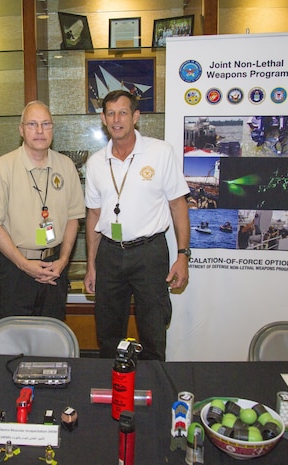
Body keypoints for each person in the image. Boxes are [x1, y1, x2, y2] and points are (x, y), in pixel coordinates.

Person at [83, 90, 190, 361]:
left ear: (136, 116)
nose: (116, 119)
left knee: (153, 331)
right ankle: (113, 392)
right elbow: (93, 215)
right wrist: (91, 266)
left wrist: (182, 256)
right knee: (108, 334)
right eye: (110, 113)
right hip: (109, 253)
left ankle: (155, 392)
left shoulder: (160, 152)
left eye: (123, 112)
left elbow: (178, 206)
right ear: (103, 119)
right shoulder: (95, 163)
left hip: (149, 253)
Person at [0, 101, 85, 321]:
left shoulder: (66, 166)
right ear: (21, 129)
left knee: (52, 335)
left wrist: (64, 260)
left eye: (46, 124)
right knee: (13, 339)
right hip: (15, 268)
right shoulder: (4, 167)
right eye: (32, 124)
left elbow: (73, 218)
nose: (39, 131)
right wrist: (23, 264)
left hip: (54, 267)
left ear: (52, 129)